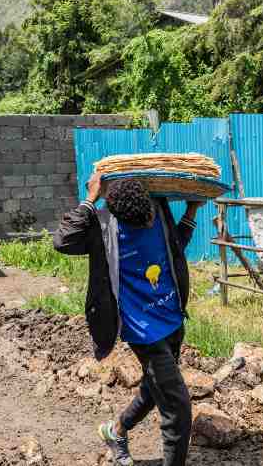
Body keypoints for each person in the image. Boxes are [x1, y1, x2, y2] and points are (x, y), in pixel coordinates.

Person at [53, 173, 204, 466]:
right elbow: (62, 241)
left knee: (154, 389)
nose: (148, 224)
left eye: (150, 217)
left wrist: (190, 211)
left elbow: (174, 249)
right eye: (141, 223)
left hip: (172, 316)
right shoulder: (104, 227)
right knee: (178, 407)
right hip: (141, 328)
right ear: (120, 218)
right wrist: (90, 199)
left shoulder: (157, 209)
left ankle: (116, 430)